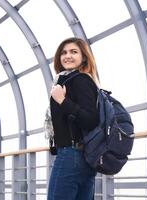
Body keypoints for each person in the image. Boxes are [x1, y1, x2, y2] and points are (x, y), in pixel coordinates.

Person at [47, 37, 100, 200]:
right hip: (83, 157)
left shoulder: (80, 80)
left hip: (71, 155)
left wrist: (62, 100)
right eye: (63, 52)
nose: (67, 56)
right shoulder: (69, 80)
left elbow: (91, 119)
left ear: (84, 57)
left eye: (73, 52)